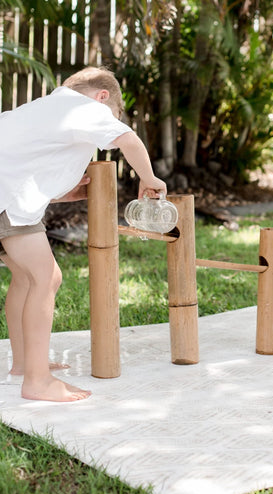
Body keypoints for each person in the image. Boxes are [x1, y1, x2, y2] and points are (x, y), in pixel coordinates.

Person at [0, 66, 167, 402]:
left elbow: (24, 162)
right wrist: (150, 179)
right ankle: (36, 381)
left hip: (7, 197)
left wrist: (62, 194)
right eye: (115, 114)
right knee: (44, 279)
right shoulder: (84, 107)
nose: (112, 122)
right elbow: (129, 140)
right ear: (102, 96)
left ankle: (22, 364)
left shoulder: (42, 109)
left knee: (27, 277)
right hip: (8, 200)